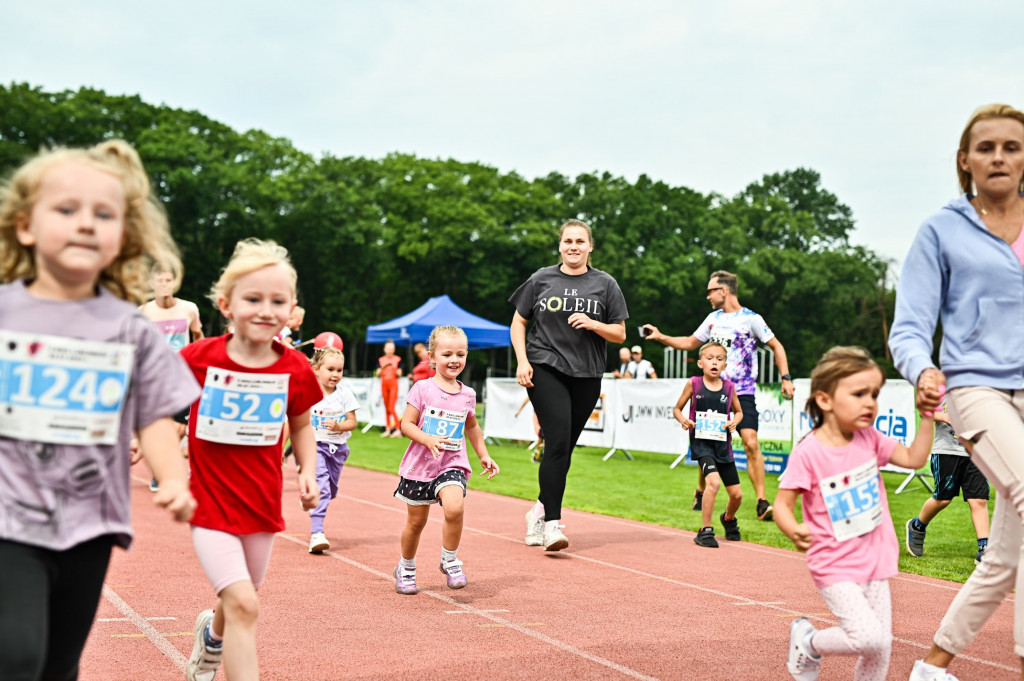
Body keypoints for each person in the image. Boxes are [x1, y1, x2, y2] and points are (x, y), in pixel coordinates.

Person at [0, 140, 200, 679]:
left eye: (103, 214)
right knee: (15, 655)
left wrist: (174, 478)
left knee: (60, 665)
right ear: (25, 226)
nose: (86, 223)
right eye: (66, 210)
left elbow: (156, 414)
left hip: (89, 522)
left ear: (122, 237)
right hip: (9, 517)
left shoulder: (127, 329)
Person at [888, 103, 1024, 681]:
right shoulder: (943, 230)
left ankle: (933, 667)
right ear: (965, 161)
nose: (999, 156)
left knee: (1002, 558)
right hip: (976, 389)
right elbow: (910, 326)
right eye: (986, 147)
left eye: (1012, 146)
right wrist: (921, 369)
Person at [181, 238, 322, 681]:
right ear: (226, 304)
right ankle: (215, 657)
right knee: (245, 602)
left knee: (238, 598)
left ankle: (211, 640)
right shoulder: (197, 359)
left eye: (277, 300)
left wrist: (307, 470)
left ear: (292, 307)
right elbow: (159, 411)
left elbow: (300, 424)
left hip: (261, 504)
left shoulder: (295, 368)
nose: (266, 309)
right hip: (208, 504)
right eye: (253, 299)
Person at [774, 347, 934, 681]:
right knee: (869, 637)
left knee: (880, 648)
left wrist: (927, 416)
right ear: (825, 399)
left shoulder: (870, 439)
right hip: (834, 563)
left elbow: (915, 458)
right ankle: (810, 641)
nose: (870, 403)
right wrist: (793, 529)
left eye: (874, 394)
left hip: (876, 559)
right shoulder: (809, 452)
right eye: (859, 393)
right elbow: (782, 505)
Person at [510, 218, 628, 551]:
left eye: (580, 241)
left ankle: (537, 510)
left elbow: (619, 333)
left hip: (588, 374)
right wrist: (522, 360)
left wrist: (593, 323)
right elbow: (519, 322)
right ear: (560, 246)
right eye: (567, 241)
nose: (573, 247)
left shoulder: (605, 284)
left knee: (563, 449)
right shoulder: (541, 279)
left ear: (590, 247)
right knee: (558, 440)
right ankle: (552, 526)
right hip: (544, 365)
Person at [644, 270, 795, 521]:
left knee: (751, 442)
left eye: (710, 291)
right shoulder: (712, 318)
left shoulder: (752, 319)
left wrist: (786, 378)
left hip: (742, 392)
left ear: (723, 291)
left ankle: (761, 502)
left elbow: (777, 346)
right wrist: (661, 337)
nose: (708, 296)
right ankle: (701, 490)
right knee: (710, 445)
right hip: (712, 392)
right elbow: (691, 343)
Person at [393, 325, 499, 595]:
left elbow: (472, 427)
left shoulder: (468, 395)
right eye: (447, 354)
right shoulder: (422, 389)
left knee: (454, 507)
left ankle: (450, 560)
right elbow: (406, 424)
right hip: (420, 466)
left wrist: (484, 454)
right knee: (416, 523)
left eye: (461, 354)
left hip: (451, 465)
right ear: (432, 357)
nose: (454, 360)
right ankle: (406, 567)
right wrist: (426, 439)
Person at [139, 260, 205, 492]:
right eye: (160, 281)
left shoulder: (189, 309)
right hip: (155, 375)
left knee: (178, 427)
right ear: (152, 284)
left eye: (169, 280)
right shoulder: (144, 312)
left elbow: (198, 334)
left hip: (182, 373)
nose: (165, 285)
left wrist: (201, 361)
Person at [673, 342, 743, 548]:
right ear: (701, 363)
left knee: (737, 495)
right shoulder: (694, 384)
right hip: (702, 446)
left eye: (719, 359)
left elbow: (738, 411)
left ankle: (728, 519)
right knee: (713, 483)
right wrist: (684, 420)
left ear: (725, 365)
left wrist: (734, 422)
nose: (715, 362)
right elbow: (677, 409)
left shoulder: (730, 388)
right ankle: (705, 529)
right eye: (710, 358)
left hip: (723, 447)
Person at [904, 400, 990, 564]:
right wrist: (945, 416)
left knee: (978, 499)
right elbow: (924, 411)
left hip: (977, 452)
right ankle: (917, 526)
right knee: (943, 499)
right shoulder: (941, 387)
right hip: (946, 451)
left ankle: (984, 548)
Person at [307, 346, 359, 554]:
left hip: (338, 449)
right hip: (314, 447)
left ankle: (309, 497)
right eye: (330, 369)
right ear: (316, 369)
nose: (335, 375)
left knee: (331, 490)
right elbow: (293, 421)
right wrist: (282, 449)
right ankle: (317, 533)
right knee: (323, 489)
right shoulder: (310, 393)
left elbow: (353, 422)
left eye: (339, 370)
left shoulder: (345, 394)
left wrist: (339, 427)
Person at [376, 339, 403, 437]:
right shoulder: (381, 360)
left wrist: (394, 367)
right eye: (388, 348)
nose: (390, 350)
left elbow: (400, 374)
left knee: (391, 408)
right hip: (384, 385)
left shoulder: (397, 359)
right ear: (385, 349)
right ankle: (388, 429)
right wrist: (383, 367)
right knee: (387, 408)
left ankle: (397, 429)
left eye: (391, 349)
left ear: (394, 349)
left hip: (393, 385)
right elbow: (378, 374)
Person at [514, 396, 544, 463]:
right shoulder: (536, 390)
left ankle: (540, 454)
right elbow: (527, 399)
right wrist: (519, 410)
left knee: (544, 437)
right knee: (540, 435)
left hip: (547, 415)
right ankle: (537, 455)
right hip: (537, 415)